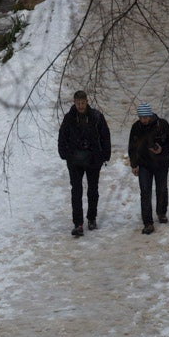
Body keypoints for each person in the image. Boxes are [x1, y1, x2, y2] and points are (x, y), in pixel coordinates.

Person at [58, 90, 111, 237]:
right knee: (76, 190)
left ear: (87, 101)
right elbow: (62, 136)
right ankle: (78, 223)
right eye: (78, 103)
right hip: (74, 160)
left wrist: (105, 155)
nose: (80, 105)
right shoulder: (69, 118)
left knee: (93, 189)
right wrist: (64, 154)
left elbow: (105, 135)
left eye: (83, 103)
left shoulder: (96, 117)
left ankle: (92, 218)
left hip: (93, 158)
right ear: (74, 103)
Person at [127, 102, 169, 234]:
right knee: (145, 192)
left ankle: (161, 213)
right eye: (141, 117)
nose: (143, 120)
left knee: (161, 189)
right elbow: (132, 148)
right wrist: (134, 165)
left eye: (145, 117)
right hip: (144, 165)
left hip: (161, 163)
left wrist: (162, 149)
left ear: (150, 115)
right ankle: (148, 222)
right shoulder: (136, 127)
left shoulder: (162, 124)